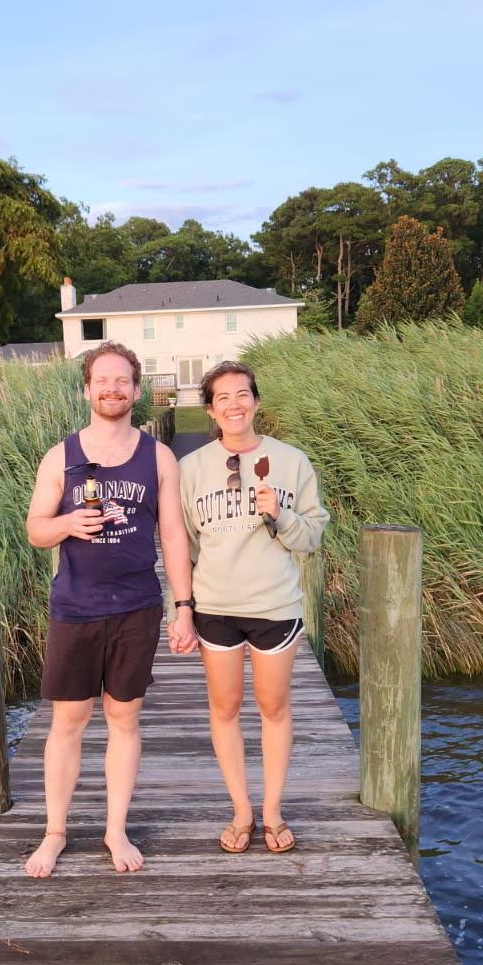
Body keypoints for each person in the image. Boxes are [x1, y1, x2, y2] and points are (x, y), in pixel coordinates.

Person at [24, 342, 198, 878]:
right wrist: (67, 525)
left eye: (123, 380)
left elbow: (172, 534)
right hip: (75, 607)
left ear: (137, 390)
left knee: (124, 719)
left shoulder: (158, 456)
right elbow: (34, 529)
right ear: (87, 389)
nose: (112, 389)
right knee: (69, 721)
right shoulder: (62, 455)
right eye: (103, 380)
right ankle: (55, 832)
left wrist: (183, 607)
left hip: (137, 607)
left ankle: (114, 828)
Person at [179, 361, 329, 854]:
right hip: (216, 606)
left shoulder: (292, 462)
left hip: (274, 606)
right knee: (224, 709)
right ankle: (241, 810)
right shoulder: (191, 469)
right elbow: (183, 546)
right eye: (223, 397)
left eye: (243, 394)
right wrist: (179, 607)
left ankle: (272, 812)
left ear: (256, 402)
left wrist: (280, 514)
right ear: (210, 409)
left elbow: (310, 539)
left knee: (274, 707)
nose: (234, 404)